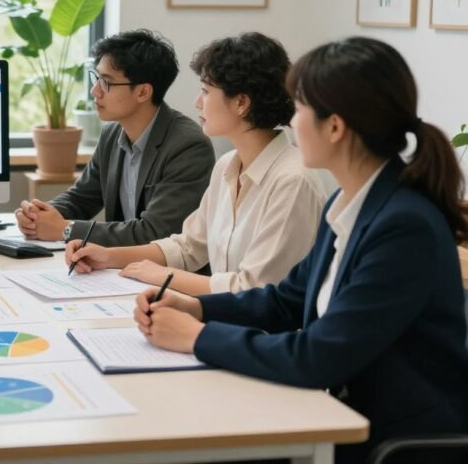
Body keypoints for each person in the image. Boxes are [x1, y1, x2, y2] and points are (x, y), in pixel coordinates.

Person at [134, 37, 468, 464]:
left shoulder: (404, 226)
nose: (291, 121)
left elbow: (319, 355)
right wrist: (198, 309)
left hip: (390, 443)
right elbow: (286, 299)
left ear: (335, 127)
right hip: (335, 415)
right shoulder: (348, 201)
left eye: (301, 109)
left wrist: (198, 337)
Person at [66, 33, 325, 295]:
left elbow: (254, 288)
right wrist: (108, 256)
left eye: (205, 91)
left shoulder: (292, 181)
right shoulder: (226, 166)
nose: (197, 102)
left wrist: (164, 276)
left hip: (265, 331)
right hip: (228, 319)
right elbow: (187, 247)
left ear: (241, 103)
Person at [14, 29, 215, 247]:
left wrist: (65, 229)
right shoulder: (113, 134)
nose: (95, 91)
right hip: (119, 268)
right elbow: (81, 198)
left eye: (107, 83)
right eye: (97, 78)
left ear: (143, 92)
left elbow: (154, 232)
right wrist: (38, 215)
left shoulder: (188, 146)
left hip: (169, 276)